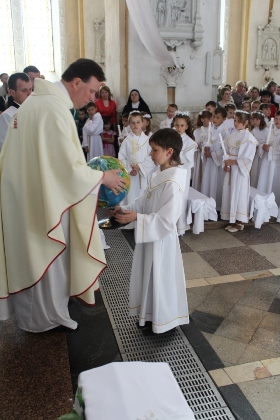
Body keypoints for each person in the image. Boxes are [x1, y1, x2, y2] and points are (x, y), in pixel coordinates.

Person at [0, 58, 126, 333]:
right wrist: (102, 176)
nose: (92, 98)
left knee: (35, 255)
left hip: (28, 195)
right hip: (42, 200)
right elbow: (65, 168)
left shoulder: (35, 103)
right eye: (92, 91)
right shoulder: (53, 108)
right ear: (77, 82)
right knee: (46, 254)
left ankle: (43, 315)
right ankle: (43, 320)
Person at [114, 128, 189, 334]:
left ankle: (164, 319)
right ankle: (148, 313)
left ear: (169, 152)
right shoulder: (159, 174)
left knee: (160, 278)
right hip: (150, 236)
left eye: (154, 150)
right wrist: (125, 209)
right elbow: (143, 202)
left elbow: (166, 220)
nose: (150, 154)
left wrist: (137, 218)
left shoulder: (173, 182)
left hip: (162, 241)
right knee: (149, 276)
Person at [221, 111, 258, 232]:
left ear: (246, 122)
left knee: (240, 193)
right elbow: (225, 152)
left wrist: (231, 162)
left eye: (239, 121)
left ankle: (240, 221)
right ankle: (232, 219)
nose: (236, 123)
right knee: (230, 192)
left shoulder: (249, 138)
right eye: (235, 120)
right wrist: (224, 164)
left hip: (240, 171)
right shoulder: (231, 136)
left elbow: (247, 158)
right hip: (231, 169)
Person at [118, 111, 155, 209]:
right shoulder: (126, 141)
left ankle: (141, 221)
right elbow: (121, 157)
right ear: (129, 124)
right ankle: (130, 222)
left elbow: (152, 157)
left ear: (143, 123)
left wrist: (140, 167)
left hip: (143, 176)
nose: (135, 125)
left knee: (143, 199)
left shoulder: (148, 141)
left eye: (138, 122)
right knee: (131, 199)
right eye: (133, 123)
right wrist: (130, 169)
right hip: (131, 176)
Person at [173, 111, 197, 235]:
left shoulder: (190, 143)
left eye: (182, 125)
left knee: (180, 198)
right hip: (171, 173)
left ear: (187, 127)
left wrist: (175, 157)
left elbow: (188, 161)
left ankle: (180, 226)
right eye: (177, 125)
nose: (179, 128)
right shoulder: (171, 139)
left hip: (181, 174)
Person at [201, 107, 227, 210]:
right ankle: (207, 204)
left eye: (218, 117)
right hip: (210, 162)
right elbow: (206, 142)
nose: (214, 119)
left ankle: (217, 206)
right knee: (208, 180)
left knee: (217, 183)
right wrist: (205, 149)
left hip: (218, 163)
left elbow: (225, 149)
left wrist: (212, 155)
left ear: (223, 119)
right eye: (214, 117)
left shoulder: (225, 131)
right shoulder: (211, 129)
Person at [0, 72, 32, 151]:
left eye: (31, 89)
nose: (29, 93)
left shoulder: (35, 111)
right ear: (12, 92)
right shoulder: (7, 116)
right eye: (24, 90)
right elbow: (5, 148)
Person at [257, 111, 280, 206]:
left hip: (276, 163)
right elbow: (262, 142)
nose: (277, 121)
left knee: (274, 183)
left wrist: (270, 149)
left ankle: (274, 204)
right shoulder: (270, 132)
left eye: (279, 119)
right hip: (266, 162)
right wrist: (262, 146)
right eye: (276, 118)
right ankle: (262, 204)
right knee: (265, 181)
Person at [192, 109, 212, 191]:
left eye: (211, 118)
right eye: (208, 118)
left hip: (208, 155)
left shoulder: (212, 130)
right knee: (200, 174)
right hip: (200, 155)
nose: (211, 120)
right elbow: (195, 143)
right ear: (202, 119)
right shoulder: (197, 131)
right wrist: (199, 146)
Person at [250, 111, 268, 188]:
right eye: (253, 119)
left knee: (259, 172)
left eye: (257, 119)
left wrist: (259, 146)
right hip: (253, 155)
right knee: (252, 173)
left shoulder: (266, 131)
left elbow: (265, 142)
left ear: (262, 120)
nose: (255, 121)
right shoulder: (252, 130)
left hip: (260, 155)